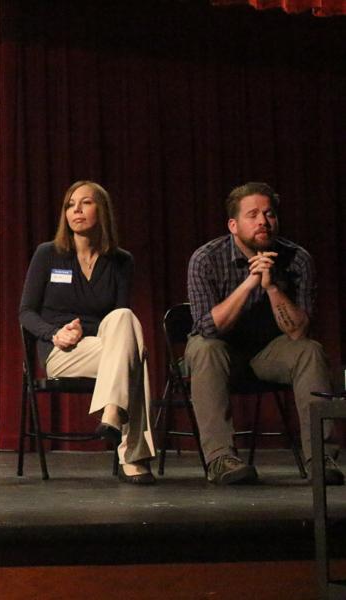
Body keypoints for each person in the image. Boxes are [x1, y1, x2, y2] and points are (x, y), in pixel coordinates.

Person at [186, 182, 342, 485]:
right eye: (253, 214)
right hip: (221, 352)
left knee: (309, 351)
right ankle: (221, 459)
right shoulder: (205, 259)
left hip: (269, 351)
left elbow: (298, 333)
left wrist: (271, 287)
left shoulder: (297, 260)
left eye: (269, 214)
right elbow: (208, 329)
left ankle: (320, 458)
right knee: (205, 349)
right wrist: (249, 283)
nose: (263, 221)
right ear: (233, 224)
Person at [19, 181, 155, 484]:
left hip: (103, 344)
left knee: (124, 318)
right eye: (70, 205)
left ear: (102, 210)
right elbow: (26, 312)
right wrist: (55, 333)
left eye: (85, 203)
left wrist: (92, 331)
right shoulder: (48, 254)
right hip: (63, 351)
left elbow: (119, 323)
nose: (76, 210)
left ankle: (111, 412)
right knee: (135, 358)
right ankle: (132, 455)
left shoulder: (121, 261)